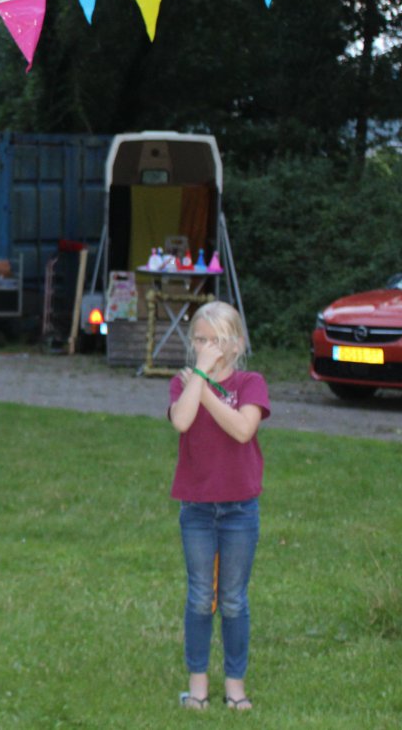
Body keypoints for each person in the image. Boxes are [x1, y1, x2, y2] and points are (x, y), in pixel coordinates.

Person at [167, 300, 269, 713]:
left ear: (237, 343)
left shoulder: (250, 382)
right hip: (196, 509)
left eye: (218, 339)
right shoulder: (182, 383)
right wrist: (199, 381)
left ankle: (235, 687)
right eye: (201, 340)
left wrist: (205, 385)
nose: (209, 347)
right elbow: (181, 421)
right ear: (191, 343)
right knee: (198, 597)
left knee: (232, 599)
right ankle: (198, 688)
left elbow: (244, 429)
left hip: (240, 509)